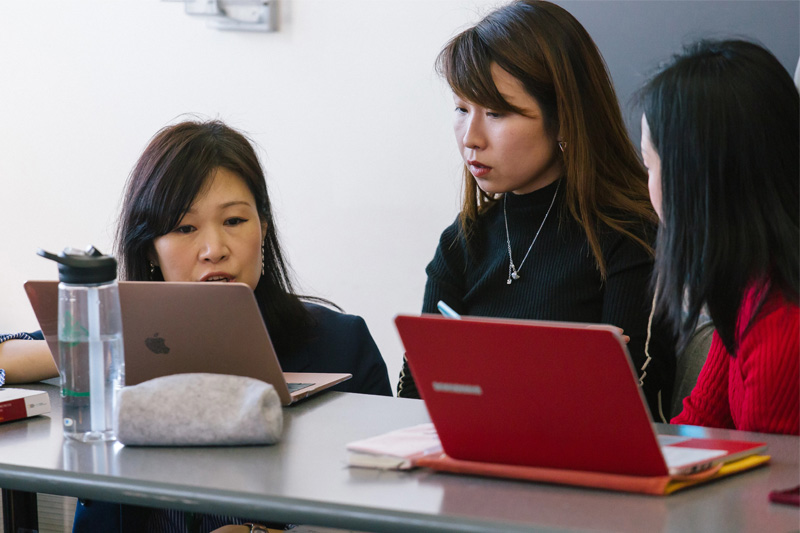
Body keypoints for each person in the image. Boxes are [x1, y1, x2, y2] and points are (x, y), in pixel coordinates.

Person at [2, 119, 392, 531]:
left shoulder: (342, 344)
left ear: (264, 227)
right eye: (186, 228)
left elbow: (387, 504)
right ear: (150, 249)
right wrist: (98, 345)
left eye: (235, 221)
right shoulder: (115, 334)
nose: (214, 250)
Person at [396, 0, 676, 418]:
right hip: (468, 470)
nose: (470, 137)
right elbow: (417, 398)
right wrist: (570, 368)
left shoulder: (630, 233)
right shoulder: (462, 242)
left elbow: (635, 403)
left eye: (496, 113)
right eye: (461, 108)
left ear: (563, 117)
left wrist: (485, 375)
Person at [640, 40, 799, 435]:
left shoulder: (781, 324)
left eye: (649, 166)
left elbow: (770, 487)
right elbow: (701, 423)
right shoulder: (750, 286)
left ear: (693, 183)